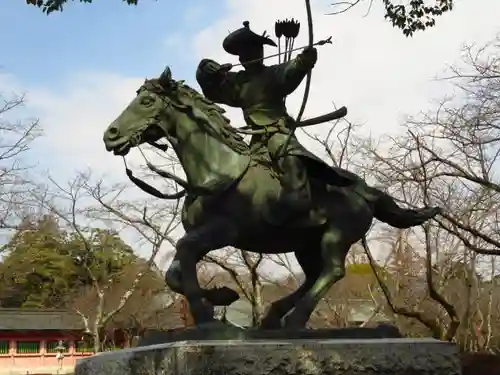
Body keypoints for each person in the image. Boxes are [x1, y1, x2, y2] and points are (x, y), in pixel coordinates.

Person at [196, 21, 358, 223]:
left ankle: (300, 200)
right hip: (255, 139)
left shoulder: (273, 73)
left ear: (261, 51)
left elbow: (291, 72)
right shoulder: (236, 82)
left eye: (252, 49)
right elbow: (211, 91)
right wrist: (207, 71)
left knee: (289, 157)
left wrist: (304, 61)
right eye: (243, 52)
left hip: (277, 133)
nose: (247, 55)